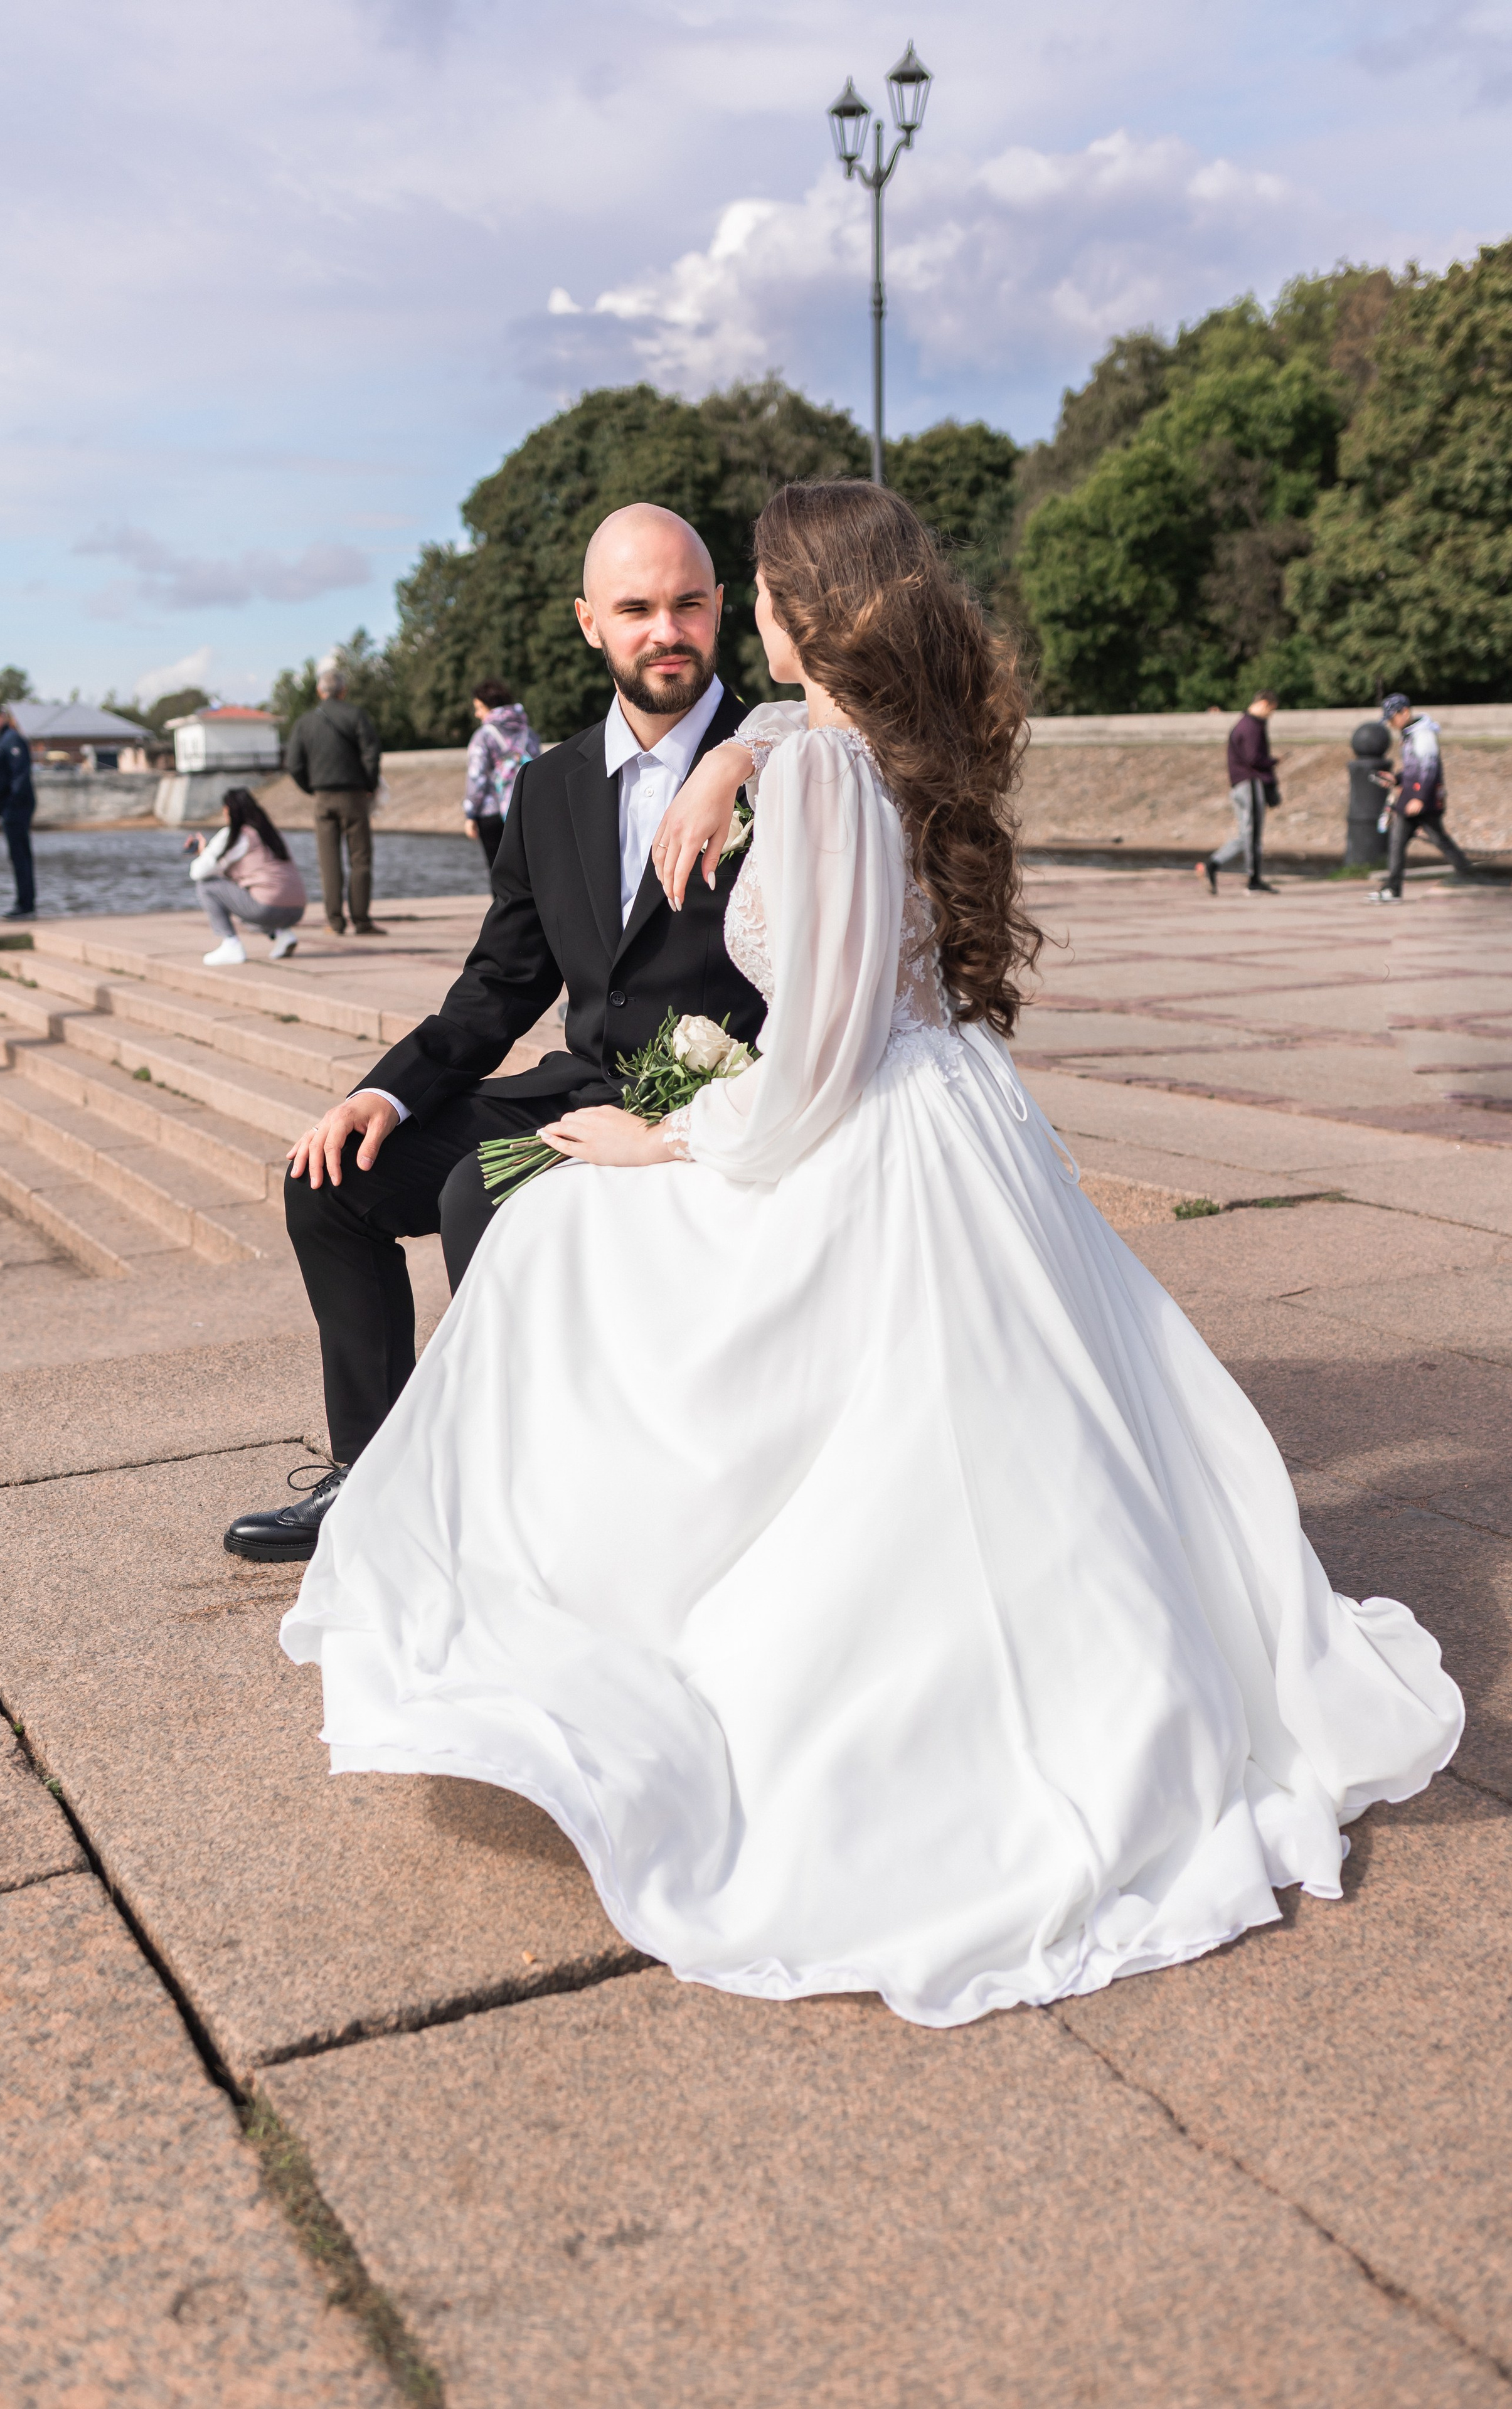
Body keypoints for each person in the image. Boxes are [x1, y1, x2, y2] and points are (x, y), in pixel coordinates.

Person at [277, 481, 1462, 2034]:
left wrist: (674, 1140)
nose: (717, 617)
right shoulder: (882, 740)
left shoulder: (820, 764)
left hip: (842, 1113)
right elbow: (758, 884)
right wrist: (759, 750)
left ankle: (558, 1573)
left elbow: (818, 1048)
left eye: (738, 588)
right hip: (953, 1113)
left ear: (782, 609)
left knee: (566, 1240)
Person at [223, 503, 761, 1563]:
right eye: (637, 608)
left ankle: (510, 1493)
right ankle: (371, 1479)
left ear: (722, 611)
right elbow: (499, 985)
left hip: (709, 1102)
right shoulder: (548, 785)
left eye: (689, 604)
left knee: (486, 1188)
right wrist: (380, 1093)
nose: (667, 630)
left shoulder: (781, 765)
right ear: (587, 623)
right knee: (328, 1181)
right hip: (573, 1086)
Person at [285, 660, 383, 937]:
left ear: (320, 692)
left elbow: (293, 764)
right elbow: (372, 752)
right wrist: (370, 785)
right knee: (360, 859)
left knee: (329, 862)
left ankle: (334, 922)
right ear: (344, 691)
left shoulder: (305, 722)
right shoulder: (356, 715)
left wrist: (311, 789)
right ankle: (362, 921)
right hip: (354, 795)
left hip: (322, 797)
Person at [186, 787, 308, 964]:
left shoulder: (237, 836)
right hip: (297, 909)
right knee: (242, 897)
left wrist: (204, 852)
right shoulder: (271, 834)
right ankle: (282, 935)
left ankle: (230, 944)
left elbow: (198, 873)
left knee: (207, 886)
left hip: (269, 908)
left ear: (230, 811)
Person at [1372, 693, 1474, 902]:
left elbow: (1429, 769)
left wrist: (1419, 798)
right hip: (1410, 799)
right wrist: (1396, 779)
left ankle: (1472, 876)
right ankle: (1393, 889)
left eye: (1392, 718)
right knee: (1397, 842)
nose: (1391, 724)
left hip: (1423, 802)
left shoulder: (1423, 734)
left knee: (1441, 841)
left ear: (1405, 712)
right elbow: (1413, 770)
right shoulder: (1409, 734)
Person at [1198, 690, 1278, 895]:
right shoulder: (1251, 726)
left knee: (1245, 835)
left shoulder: (1243, 724)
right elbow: (1254, 759)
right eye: (1272, 710)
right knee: (1252, 834)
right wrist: (1274, 762)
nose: (1271, 715)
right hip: (1249, 783)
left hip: (1239, 784)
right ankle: (1254, 880)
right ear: (1264, 704)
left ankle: (1213, 865)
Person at [463, 679, 541, 869]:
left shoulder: (484, 736)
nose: (477, 714)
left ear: (491, 707)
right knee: (526, 873)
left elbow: (477, 778)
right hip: (524, 811)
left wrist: (470, 814)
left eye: (480, 708)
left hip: (492, 813)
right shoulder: (528, 733)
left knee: (499, 874)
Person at [0, 703, 38, 920]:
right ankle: (24, 903)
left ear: (1, 717)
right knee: (17, 855)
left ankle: (26, 905)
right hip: (7, 807)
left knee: (20, 854)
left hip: (17, 806)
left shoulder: (12, 740)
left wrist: (4, 809)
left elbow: (19, 779)